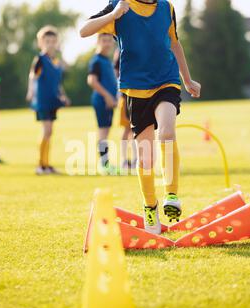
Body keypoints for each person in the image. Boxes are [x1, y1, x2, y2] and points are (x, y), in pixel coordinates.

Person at [80, 0, 201, 234]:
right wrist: (113, 15)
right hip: (135, 89)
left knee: (166, 131)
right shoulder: (120, 5)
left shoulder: (167, 8)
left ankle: (171, 193)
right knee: (145, 158)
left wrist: (187, 80)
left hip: (166, 81)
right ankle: (150, 206)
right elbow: (84, 31)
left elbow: (175, 44)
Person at [26, 26, 70, 175]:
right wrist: (30, 92)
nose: (50, 44)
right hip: (42, 101)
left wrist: (63, 96)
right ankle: (41, 165)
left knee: (50, 132)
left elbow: (58, 80)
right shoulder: (40, 59)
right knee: (47, 131)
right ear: (41, 43)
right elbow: (32, 76)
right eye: (47, 41)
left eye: (53, 41)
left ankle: (46, 165)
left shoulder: (56, 61)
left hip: (53, 100)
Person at [88, 33, 118, 175]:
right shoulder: (97, 61)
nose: (107, 44)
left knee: (106, 132)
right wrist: (107, 96)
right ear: (98, 42)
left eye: (109, 41)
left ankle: (106, 164)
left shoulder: (107, 61)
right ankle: (104, 164)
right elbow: (92, 81)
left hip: (110, 101)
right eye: (104, 41)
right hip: (101, 101)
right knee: (103, 132)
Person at [113, 48, 137, 171]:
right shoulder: (121, 50)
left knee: (135, 130)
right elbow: (116, 71)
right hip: (125, 96)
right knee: (126, 129)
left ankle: (135, 159)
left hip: (138, 95)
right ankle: (124, 159)